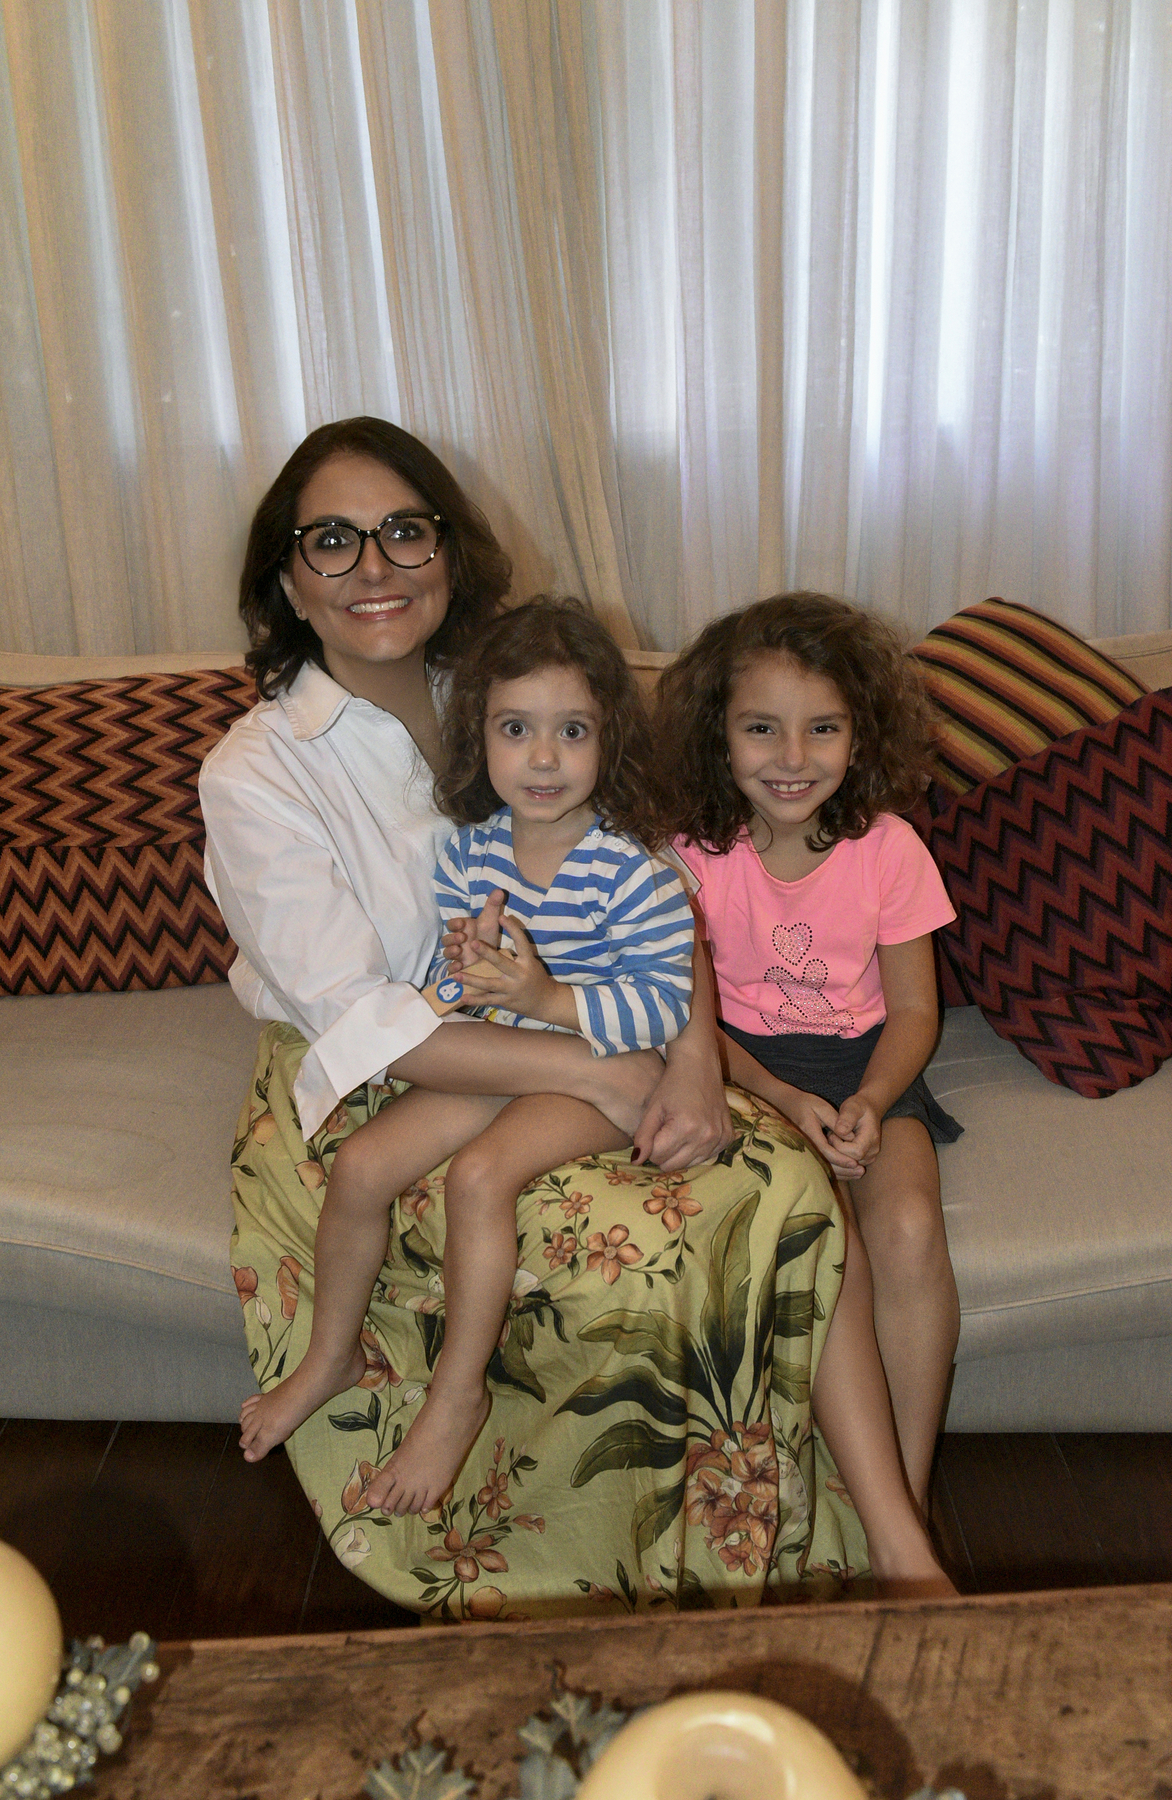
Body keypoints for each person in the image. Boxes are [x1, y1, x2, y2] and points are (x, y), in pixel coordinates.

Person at [201, 420, 949, 1614]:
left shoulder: (505, 679)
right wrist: (604, 1069)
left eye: (404, 531)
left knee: (774, 1192)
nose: (375, 565)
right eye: (330, 541)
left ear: (449, 552)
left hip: (579, 1033)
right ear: (287, 579)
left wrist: (692, 1060)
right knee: (637, 1230)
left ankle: (879, 1539)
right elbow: (368, 1021)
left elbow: (661, 892)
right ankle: (606, 1552)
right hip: (391, 1063)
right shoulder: (259, 771)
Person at [237, 597, 695, 1516]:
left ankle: (457, 1396)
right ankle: (329, 1357)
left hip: (599, 1069)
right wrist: (462, 979)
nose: (543, 758)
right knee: (361, 1165)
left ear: (610, 740)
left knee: (479, 1177)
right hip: (506, 1053)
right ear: (478, 736)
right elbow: (455, 974)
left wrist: (547, 1001)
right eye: (515, 729)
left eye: (572, 731)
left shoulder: (632, 870)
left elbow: (664, 999)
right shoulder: (470, 855)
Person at [658, 592, 963, 1511]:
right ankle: (852, 1488)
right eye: (762, 729)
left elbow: (915, 1010)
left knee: (908, 1230)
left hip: (869, 1066)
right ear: (718, 736)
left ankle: (904, 1499)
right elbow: (687, 1019)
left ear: (860, 736)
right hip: (741, 1070)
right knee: (838, 1249)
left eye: (822, 728)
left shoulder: (890, 848)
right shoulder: (687, 856)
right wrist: (786, 1102)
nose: (793, 758)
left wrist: (870, 1098)